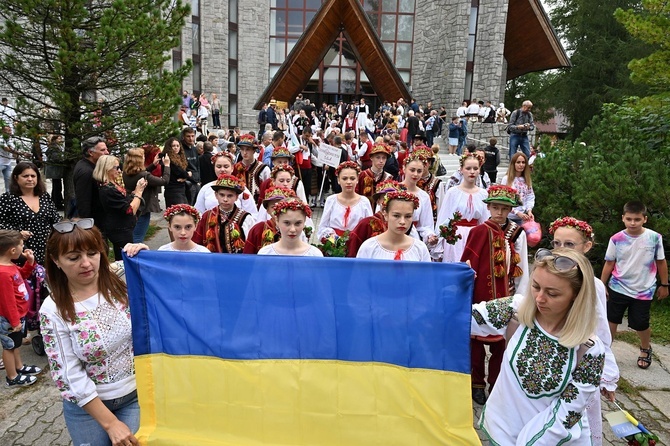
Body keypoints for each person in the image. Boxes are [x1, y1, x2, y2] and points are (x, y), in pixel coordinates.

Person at [472, 249, 605, 444]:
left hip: (551, 441)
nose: (539, 298)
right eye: (535, 286)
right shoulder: (516, 310)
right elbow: (461, 318)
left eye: (552, 293)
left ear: (576, 295)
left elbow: (567, 414)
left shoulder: (589, 348)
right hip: (502, 432)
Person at [40, 219, 139, 446]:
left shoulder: (121, 278)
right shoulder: (52, 309)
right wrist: (110, 424)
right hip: (87, 409)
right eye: (74, 258)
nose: (86, 263)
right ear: (56, 261)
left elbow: (170, 272)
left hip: (135, 397)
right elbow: (67, 374)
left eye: (93, 253)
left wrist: (142, 253)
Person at [549, 216, 619, 445]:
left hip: (577, 363)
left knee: (573, 419)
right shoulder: (547, 276)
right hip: (548, 359)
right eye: (557, 243)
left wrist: (607, 375)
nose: (561, 250)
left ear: (586, 247)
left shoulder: (592, 284)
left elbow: (600, 331)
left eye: (569, 244)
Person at [461, 185, 529, 405]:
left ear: (510, 210)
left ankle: (497, 383)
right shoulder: (478, 231)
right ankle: (477, 383)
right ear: (488, 208)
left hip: (506, 296)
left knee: (501, 343)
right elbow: (467, 263)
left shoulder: (517, 234)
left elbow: (523, 266)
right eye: (495, 207)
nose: (499, 212)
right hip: (480, 295)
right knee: (477, 342)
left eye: (504, 208)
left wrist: (521, 294)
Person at [602, 201, 668, 370]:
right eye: (629, 219)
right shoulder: (616, 239)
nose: (633, 223)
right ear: (623, 218)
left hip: (643, 290)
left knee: (640, 323)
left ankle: (645, 348)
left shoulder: (654, 238)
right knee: (611, 320)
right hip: (618, 286)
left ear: (644, 219)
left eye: (637, 219)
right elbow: (609, 263)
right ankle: (604, 352)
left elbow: (660, 262)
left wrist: (665, 284)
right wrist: (601, 285)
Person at [0, 230, 41, 387]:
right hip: (10, 319)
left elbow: (22, 276)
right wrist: (14, 320)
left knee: (15, 344)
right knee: (9, 347)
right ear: (12, 250)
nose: (23, 248)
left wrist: (29, 262)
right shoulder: (3, 273)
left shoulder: (9, 265)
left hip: (17, 316)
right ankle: (12, 377)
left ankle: (19, 367)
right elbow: (7, 301)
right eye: (21, 245)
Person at [0, 162, 60, 265]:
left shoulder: (44, 196)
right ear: (16, 178)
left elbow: (55, 219)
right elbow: (1, 224)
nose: (30, 179)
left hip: (46, 248)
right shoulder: (7, 198)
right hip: (21, 251)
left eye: (33, 176)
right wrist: (17, 233)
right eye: (25, 176)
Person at [434, 153, 489, 263]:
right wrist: (439, 242)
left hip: (475, 238)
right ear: (461, 170)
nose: (472, 172)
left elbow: (485, 220)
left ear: (479, 170)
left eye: (475, 168)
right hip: (455, 239)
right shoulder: (452, 192)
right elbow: (444, 218)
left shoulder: (483, 194)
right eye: (468, 168)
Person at [93, 155, 147, 260]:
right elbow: (130, 210)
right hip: (120, 229)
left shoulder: (111, 185)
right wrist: (139, 192)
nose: (119, 170)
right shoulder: (108, 189)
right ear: (107, 169)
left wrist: (135, 192)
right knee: (126, 258)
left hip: (121, 227)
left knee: (124, 256)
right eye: (116, 168)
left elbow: (124, 201)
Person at [356, 191, 431, 262]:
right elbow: (360, 274)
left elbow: (426, 275)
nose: (402, 222)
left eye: (408, 216)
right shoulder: (369, 247)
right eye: (396, 216)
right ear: (385, 215)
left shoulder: (420, 248)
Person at [192, 174, 256, 254]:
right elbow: (197, 242)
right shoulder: (207, 216)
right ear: (216, 195)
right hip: (211, 263)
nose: (225, 199)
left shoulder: (246, 218)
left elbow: (251, 246)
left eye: (230, 196)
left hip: (237, 263)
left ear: (236, 197)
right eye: (222, 195)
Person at [122, 148, 170, 243]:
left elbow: (140, 173)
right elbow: (164, 181)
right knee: (138, 237)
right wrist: (167, 166)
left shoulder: (126, 173)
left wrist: (153, 165)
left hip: (132, 206)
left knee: (133, 234)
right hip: (143, 209)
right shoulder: (144, 176)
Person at [347, 180, 406, 257]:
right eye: (385, 198)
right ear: (378, 201)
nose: (388, 202)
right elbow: (353, 248)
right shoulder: (366, 223)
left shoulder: (404, 222)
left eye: (392, 198)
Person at [318, 161, 373, 240]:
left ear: (357, 180)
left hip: (357, 245)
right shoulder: (331, 200)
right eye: (344, 178)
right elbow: (322, 227)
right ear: (338, 180)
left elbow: (369, 228)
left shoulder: (364, 202)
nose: (348, 182)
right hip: (334, 246)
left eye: (352, 178)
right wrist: (336, 241)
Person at [194, 152, 257, 217]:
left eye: (226, 166)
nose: (222, 170)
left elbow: (252, 215)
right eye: (219, 166)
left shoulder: (241, 188)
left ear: (232, 168)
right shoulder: (206, 188)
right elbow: (198, 213)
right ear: (214, 168)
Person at [258, 198, 322, 257]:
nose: (292, 229)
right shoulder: (265, 254)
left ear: (304, 221)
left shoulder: (314, 254)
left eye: (298, 223)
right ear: (277, 221)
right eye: (287, 223)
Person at [244, 187, 298, 254]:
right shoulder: (258, 229)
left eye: (281, 206)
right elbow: (248, 256)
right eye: (273, 207)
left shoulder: (296, 229)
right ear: (267, 210)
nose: (277, 209)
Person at [400, 152, 437, 244]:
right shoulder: (392, 190)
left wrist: (429, 236)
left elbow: (426, 225)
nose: (415, 174)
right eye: (412, 170)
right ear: (404, 168)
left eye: (419, 171)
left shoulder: (424, 196)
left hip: (413, 238)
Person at [73, 136, 109, 228]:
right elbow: (83, 202)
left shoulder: (88, 165)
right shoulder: (86, 171)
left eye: (106, 149)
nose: (107, 153)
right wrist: (88, 227)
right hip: (92, 224)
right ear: (90, 152)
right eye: (102, 150)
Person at [232, 134, 270, 204]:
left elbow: (268, 189)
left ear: (254, 150)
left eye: (248, 149)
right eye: (242, 149)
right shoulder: (235, 168)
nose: (244, 153)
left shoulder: (264, 169)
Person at [355, 143, 393, 209]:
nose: (381, 161)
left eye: (384, 158)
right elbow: (356, 194)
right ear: (371, 158)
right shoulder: (363, 175)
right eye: (378, 157)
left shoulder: (388, 177)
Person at [501, 152, 535, 225]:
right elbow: (504, 199)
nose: (521, 165)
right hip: (508, 217)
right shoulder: (506, 179)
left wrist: (529, 210)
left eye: (523, 162)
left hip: (523, 217)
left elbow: (530, 196)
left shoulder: (527, 179)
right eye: (518, 162)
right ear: (513, 164)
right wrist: (516, 212)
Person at [161, 137, 190, 207]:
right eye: (173, 146)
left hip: (181, 188)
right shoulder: (167, 158)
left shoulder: (180, 157)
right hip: (173, 190)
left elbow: (187, 171)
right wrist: (187, 174)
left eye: (177, 146)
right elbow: (181, 173)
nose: (176, 148)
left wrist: (186, 176)